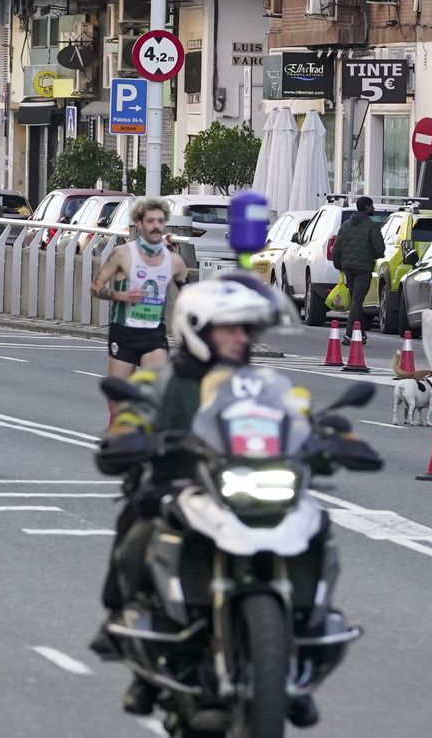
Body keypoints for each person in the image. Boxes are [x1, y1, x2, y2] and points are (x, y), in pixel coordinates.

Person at [92, 275, 308, 722]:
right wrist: (127, 437)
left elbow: (299, 415)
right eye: (228, 328)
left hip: (249, 493)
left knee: (314, 528)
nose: (240, 337)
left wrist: (333, 438)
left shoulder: (262, 383)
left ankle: (296, 651)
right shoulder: (162, 380)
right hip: (180, 490)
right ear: (197, 329)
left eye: (245, 329)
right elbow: (132, 413)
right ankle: (132, 645)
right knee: (137, 532)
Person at [91, 198, 188, 412]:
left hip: (154, 334)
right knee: (118, 401)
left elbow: (190, 296)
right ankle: (119, 427)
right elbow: (96, 287)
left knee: (156, 394)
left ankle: (148, 429)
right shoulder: (123, 254)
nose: (156, 226)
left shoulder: (175, 261)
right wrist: (120, 295)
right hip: (124, 332)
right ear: (139, 223)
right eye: (150, 221)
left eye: (160, 221)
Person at [331, 196, 385, 342]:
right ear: (367, 207)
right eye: (372, 206)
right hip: (363, 269)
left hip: (348, 269)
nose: (373, 208)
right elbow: (379, 250)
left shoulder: (346, 225)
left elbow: (336, 249)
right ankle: (349, 334)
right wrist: (375, 254)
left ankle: (359, 333)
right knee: (357, 300)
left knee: (356, 300)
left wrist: (339, 265)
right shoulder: (372, 227)